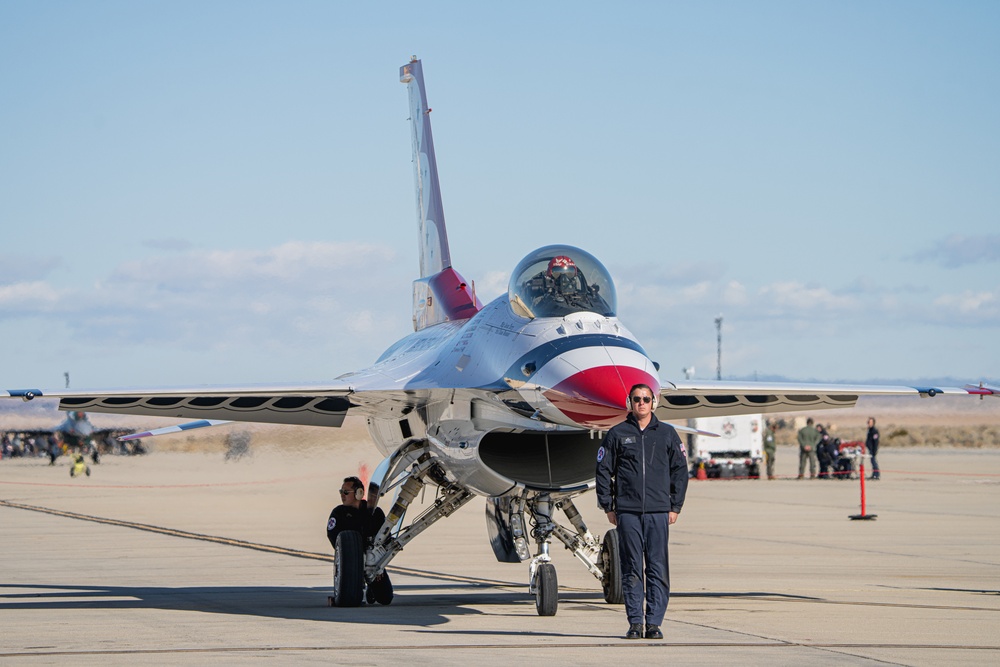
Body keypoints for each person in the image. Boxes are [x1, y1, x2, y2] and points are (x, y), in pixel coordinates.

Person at [595, 383, 689, 640]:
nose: (641, 403)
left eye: (646, 399)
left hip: (659, 512)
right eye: (636, 399)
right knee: (632, 568)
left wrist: (675, 506)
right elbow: (603, 470)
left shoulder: (667, 434)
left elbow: (680, 471)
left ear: (654, 402)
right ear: (630, 402)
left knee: (657, 568)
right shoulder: (617, 434)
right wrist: (608, 505)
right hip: (628, 512)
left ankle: (654, 623)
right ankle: (635, 622)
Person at [326, 476, 392, 604]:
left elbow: (385, 537)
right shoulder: (338, 513)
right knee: (349, 598)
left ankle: (371, 589)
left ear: (359, 493)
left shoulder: (374, 513)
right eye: (341, 492)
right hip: (352, 560)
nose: (342, 495)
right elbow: (332, 535)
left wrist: (380, 566)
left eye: (346, 492)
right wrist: (350, 558)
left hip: (373, 561)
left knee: (385, 598)